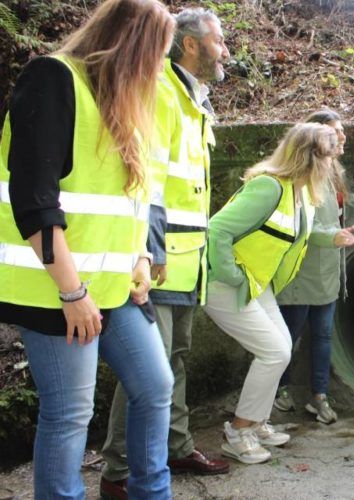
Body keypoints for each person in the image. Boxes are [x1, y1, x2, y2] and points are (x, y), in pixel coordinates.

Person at [0, 0, 175, 498]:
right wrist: (72, 293)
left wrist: (140, 256)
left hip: (114, 289)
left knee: (155, 387)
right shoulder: (54, 79)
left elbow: (130, 199)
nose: (158, 69)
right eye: (157, 55)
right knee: (70, 413)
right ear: (132, 44)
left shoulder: (123, 100)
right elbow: (34, 200)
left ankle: (151, 492)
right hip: (57, 288)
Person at [99, 7, 230, 497]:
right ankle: (119, 472)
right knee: (146, 370)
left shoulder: (194, 99)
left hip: (186, 258)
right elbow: (148, 182)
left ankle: (174, 446)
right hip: (161, 258)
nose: (225, 52)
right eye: (218, 41)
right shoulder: (161, 92)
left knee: (173, 360)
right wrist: (150, 250)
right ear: (191, 44)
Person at [203, 122, 354, 464]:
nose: (333, 163)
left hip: (256, 283)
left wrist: (332, 237)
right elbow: (216, 230)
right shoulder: (268, 187)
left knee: (282, 348)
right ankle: (238, 432)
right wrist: (233, 276)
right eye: (329, 156)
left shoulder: (300, 192)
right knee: (274, 351)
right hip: (228, 284)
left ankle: (256, 422)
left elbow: (299, 233)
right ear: (309, 158)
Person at [273, 109, 354, 424]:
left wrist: (352, 200)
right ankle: (277, 389)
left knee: (323, 337)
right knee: (287, 337)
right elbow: (299, 226)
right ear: (315, 140)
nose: (341, 136)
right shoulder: (300, 178)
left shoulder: (331, 172)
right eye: (334, 131)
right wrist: (333, 237)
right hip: (301, 272)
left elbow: (334, 207)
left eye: (340, 130)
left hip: (327, 270)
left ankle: (319, 396)